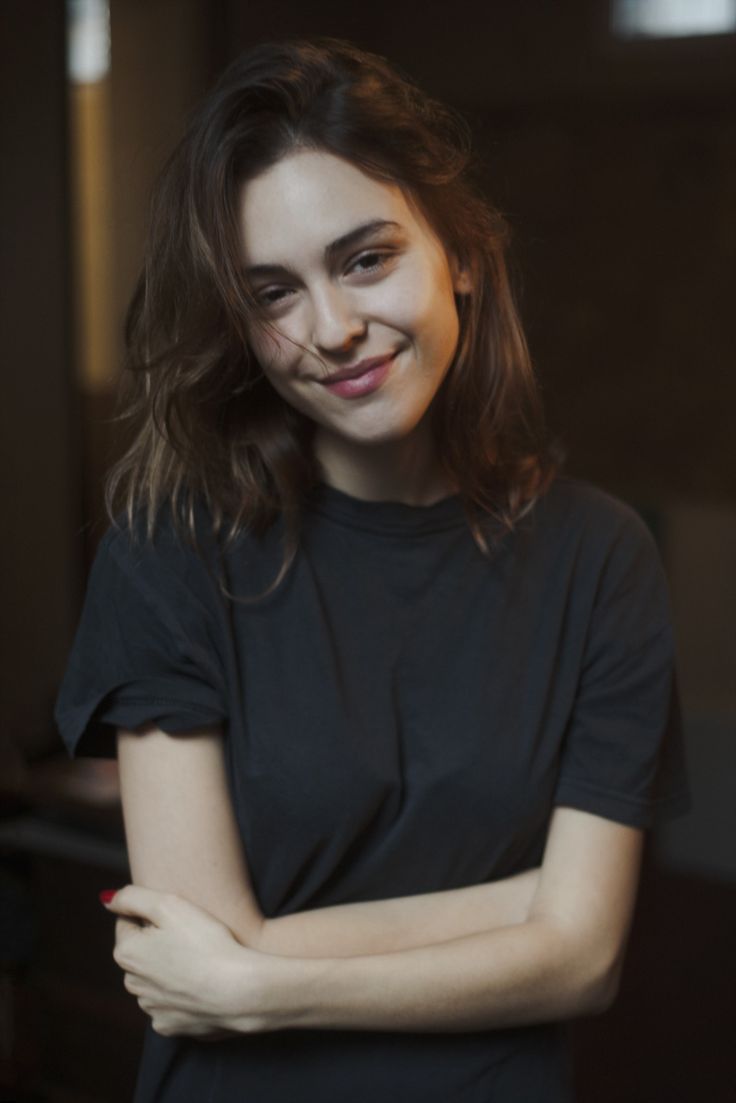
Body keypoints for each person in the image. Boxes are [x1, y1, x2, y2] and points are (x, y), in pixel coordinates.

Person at [55, 37, 689, 1103]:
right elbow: (202, 937)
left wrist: (255, 985)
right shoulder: (169, 551)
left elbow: (584, 961)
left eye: (364, 258)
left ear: (462, 255)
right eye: (272, 292)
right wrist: (534, 905)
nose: (333, 328)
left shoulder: (600, 557)